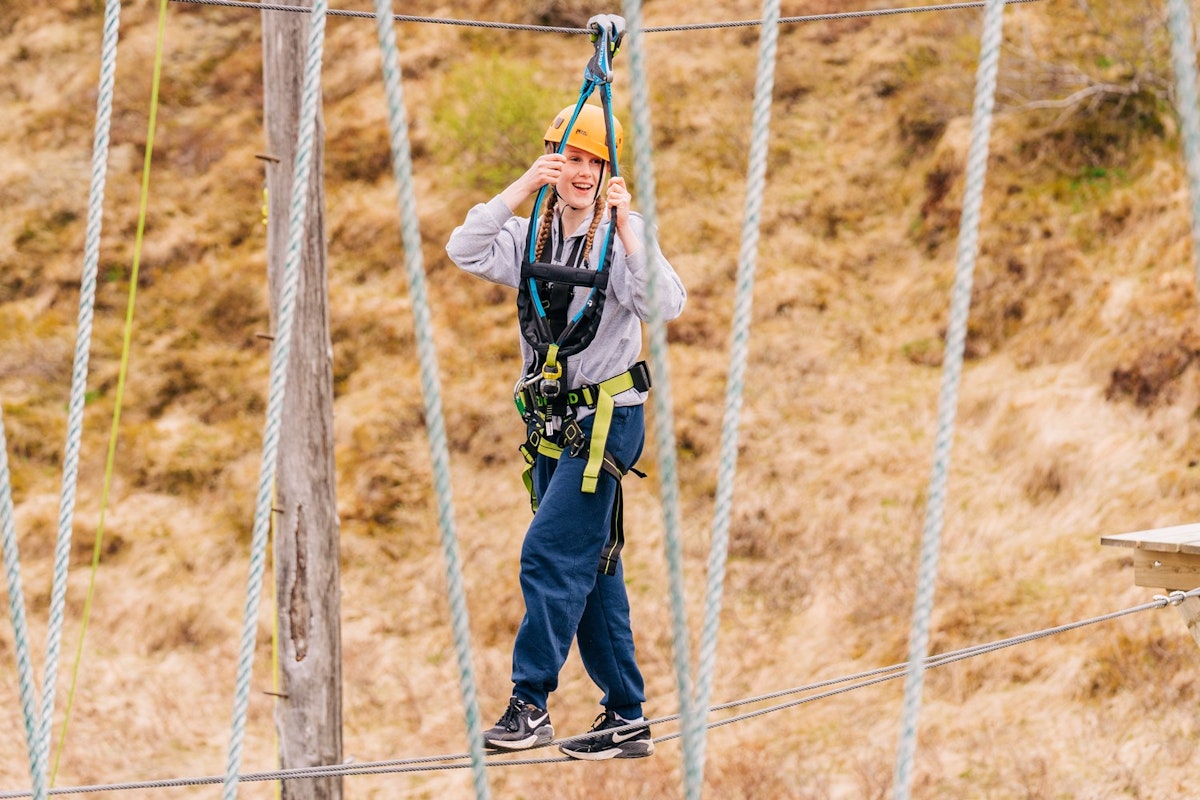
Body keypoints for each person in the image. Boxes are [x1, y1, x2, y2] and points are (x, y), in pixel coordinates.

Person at [445, 102, 686, 760]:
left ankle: (530, 704)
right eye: (570, 160)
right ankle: (627, 715)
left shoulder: (623, 238)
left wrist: (628, 226)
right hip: (553, 425)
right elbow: (463, 248)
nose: (580, 173)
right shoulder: (531, 236)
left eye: (591, 163)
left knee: (550, 556)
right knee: (592, 570)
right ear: (555, 164)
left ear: (608, 172)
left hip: (606, 422)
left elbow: (665, 305)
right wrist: (522, 186)